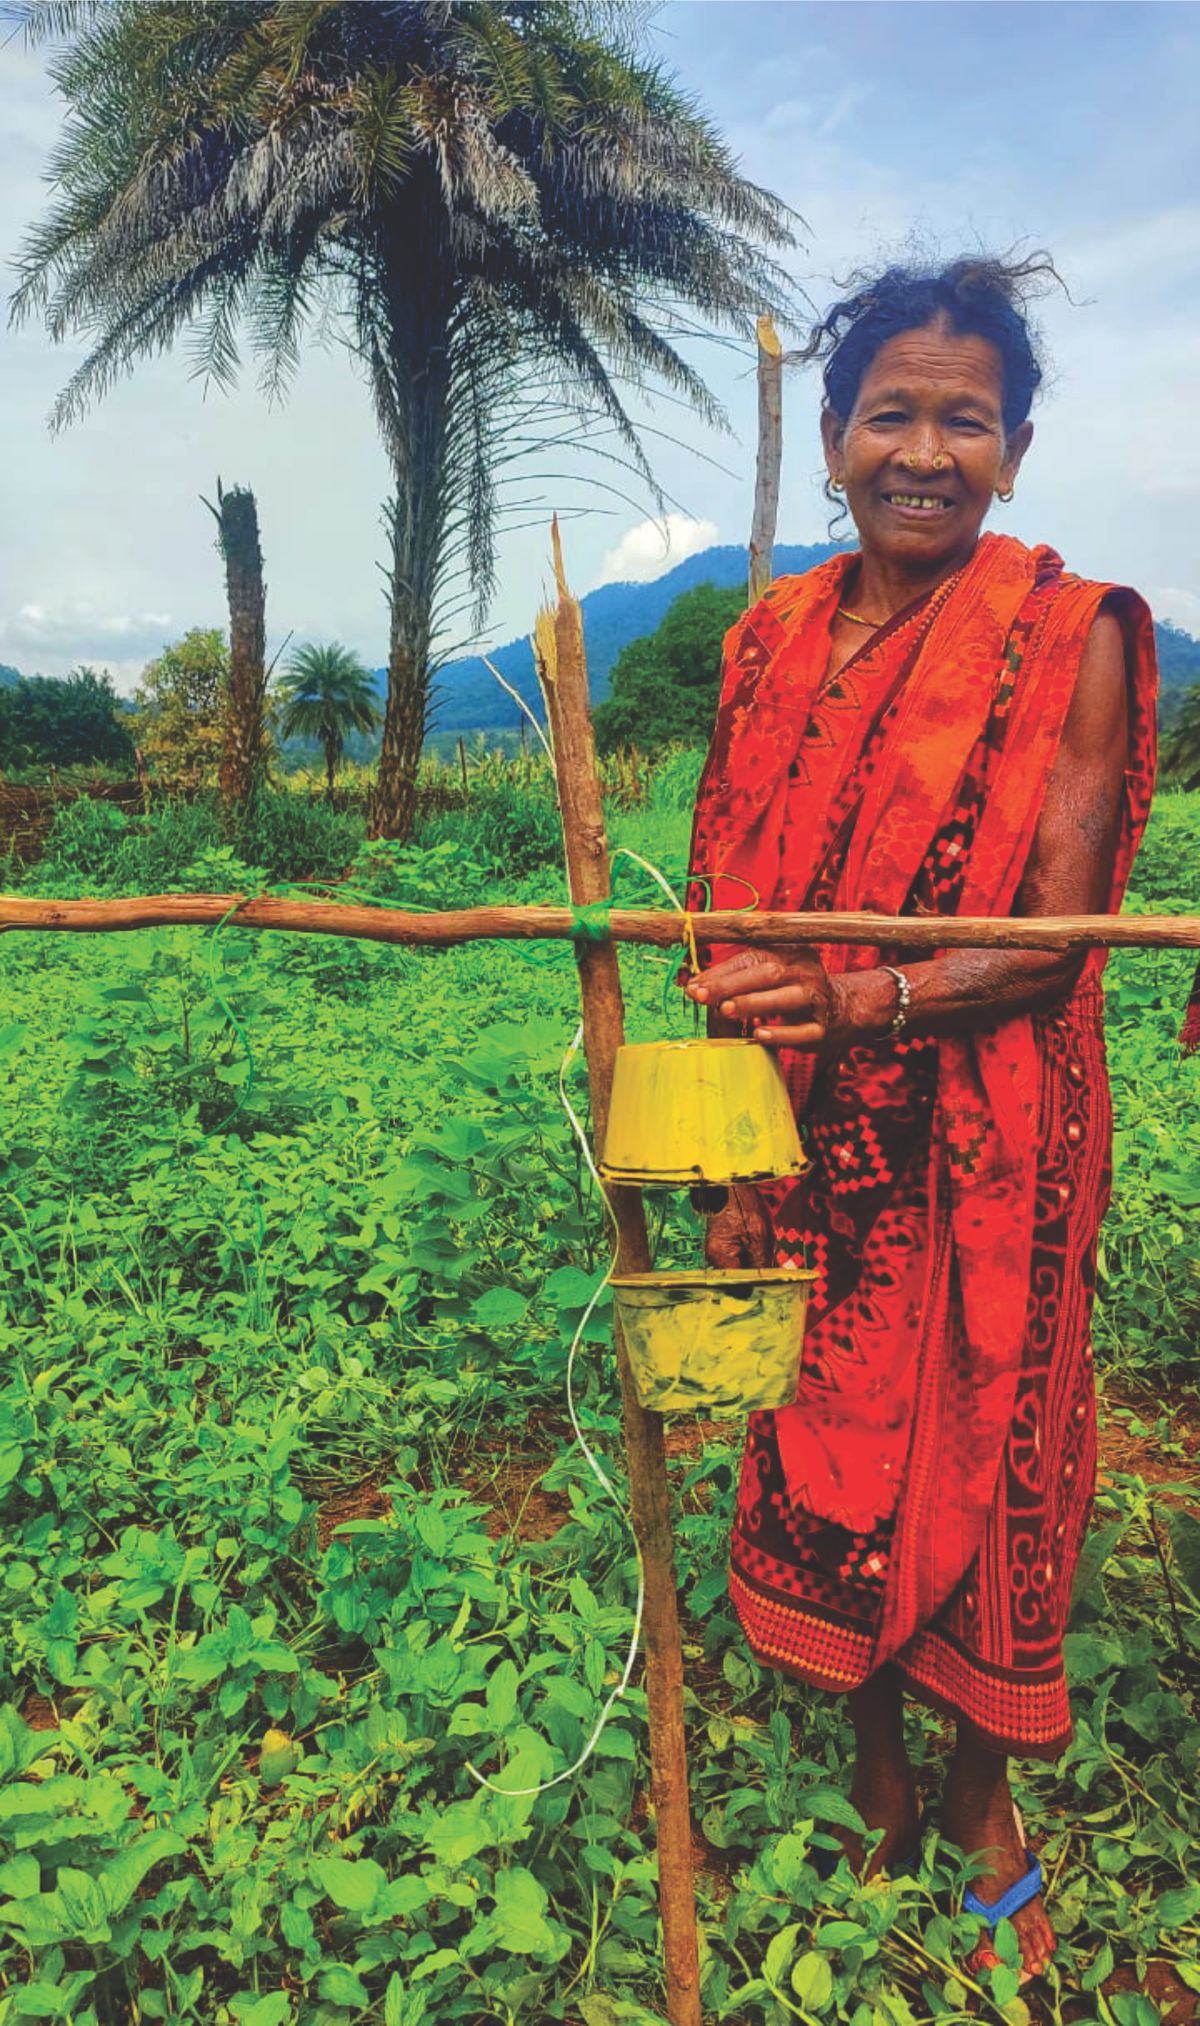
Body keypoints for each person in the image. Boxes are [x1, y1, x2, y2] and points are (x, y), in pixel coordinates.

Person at [683, 255, 1158, 1987]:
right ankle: (875, 1763)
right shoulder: (770, 641)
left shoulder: (1072, 630)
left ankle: (976, 1797)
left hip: (991, 1125)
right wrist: (738, 1044)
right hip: (810, 1131)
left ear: (1017, 450)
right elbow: (728, 890)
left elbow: (1054, 930)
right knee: (831, 1428)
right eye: (894, 411)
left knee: (988, 1441)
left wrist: (870, 997)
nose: (927, 449)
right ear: (832, 435)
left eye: (968, 418)